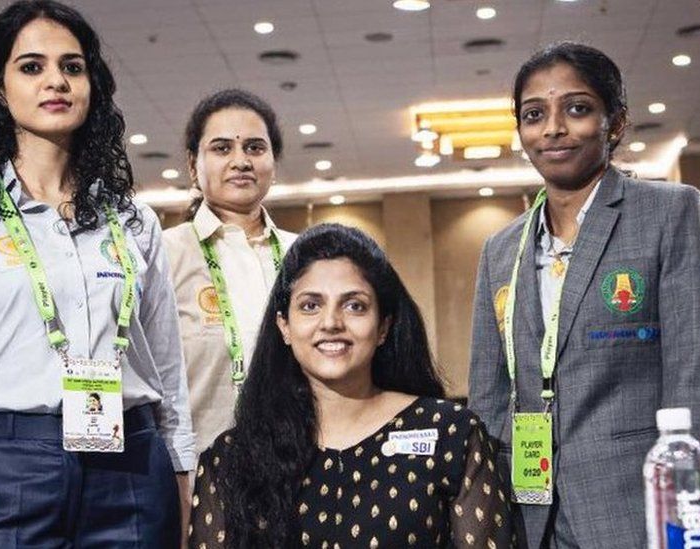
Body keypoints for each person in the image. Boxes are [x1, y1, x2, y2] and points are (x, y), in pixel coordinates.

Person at [0, 2, 194, 547]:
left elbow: (169, 376)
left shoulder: (133, 221)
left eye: (72, 67)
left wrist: (182, 491)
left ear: (91, 85)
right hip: (10, 469)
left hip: (132, 468)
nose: (56, 80)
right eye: (32, 66)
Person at [468, 41, 700, 548]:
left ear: (616, 123)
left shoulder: (671, 213)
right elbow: (490, 398)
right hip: (530, 511)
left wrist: (682, 517)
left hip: (635, 508)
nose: (553, 129)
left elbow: (695, 373)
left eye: (577, 108)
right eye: (533, 114)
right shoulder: (501, 250)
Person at [189, 224, 513, 548]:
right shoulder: (232, 457)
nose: (331, 323)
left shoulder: (450, 433)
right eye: (310, 306)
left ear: (383, 326)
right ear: (284, 326)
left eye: (354, 305)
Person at [162, 89, 297, 452]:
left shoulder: (303, 254)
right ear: (193, 166)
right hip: (199, 467)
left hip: (304, 461)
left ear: (273, 161)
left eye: (255, 148)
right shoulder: (163, 254)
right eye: (222, 148)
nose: (241, 161)